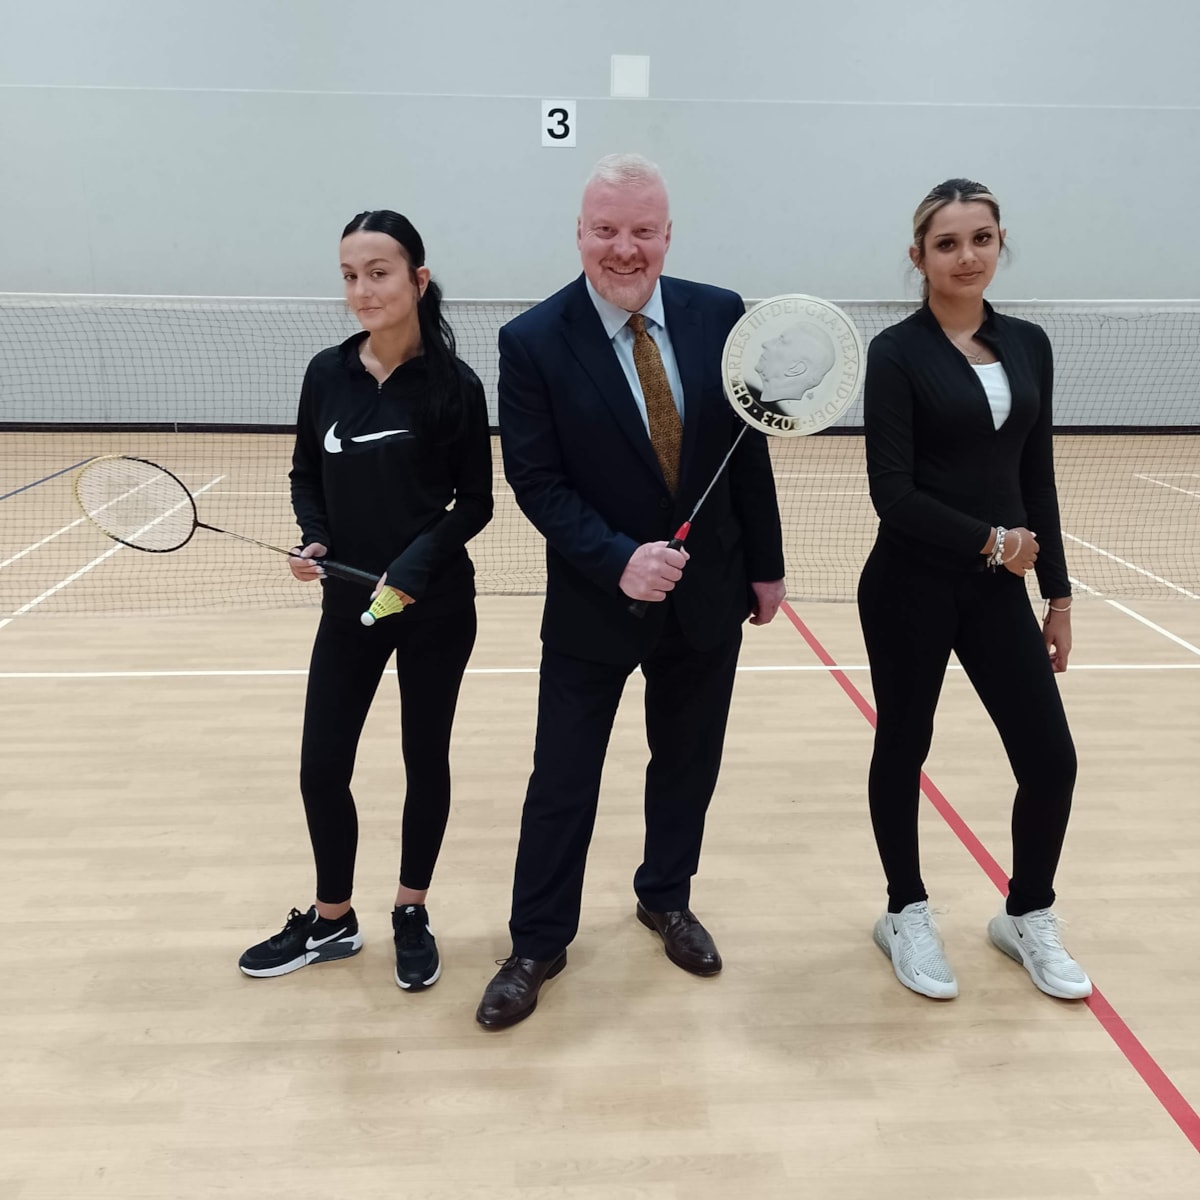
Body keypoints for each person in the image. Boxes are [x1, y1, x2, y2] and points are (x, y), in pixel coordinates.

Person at [476, 154, 786, 1030]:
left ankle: (666, 899)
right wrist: (618, 557)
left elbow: (746, 447)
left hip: (709, 594)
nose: (624, 248)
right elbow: (536, 481)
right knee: (564, 780)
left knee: (687, 764)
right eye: (605, 230)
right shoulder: (532, 341)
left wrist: (765, 562)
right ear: (579, 233)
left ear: (667, 234)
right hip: (593, 603)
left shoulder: (719, 314)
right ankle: (537, 941)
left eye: (642, 230)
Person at [238, 209, 493, 992]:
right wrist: (313, 538)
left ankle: (410, 910)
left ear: (417, 279)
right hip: (350, 605)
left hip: (435, 607)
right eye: (349, 275)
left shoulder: (454, 386)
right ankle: (331, 919)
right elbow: (305, 476)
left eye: (378, 273)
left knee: (426, 760)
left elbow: (475, 503)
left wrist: (413, 568)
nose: (362, 290)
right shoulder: (327, 374)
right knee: (322, 767)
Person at [858, 178, 1091, 1001]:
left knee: (1051, 761)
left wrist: (1057, 596)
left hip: (1000, 593)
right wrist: (991, 542)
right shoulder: (895, 353)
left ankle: (1026, 914)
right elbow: (894, 493)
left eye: (982, 238)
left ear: (1000, 245)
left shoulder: (1028, 344)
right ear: (918, 256)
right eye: (949, 243)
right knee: (904, 747)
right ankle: (905, 912)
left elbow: (1038, 475)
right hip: (909, 586)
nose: (968, 256)